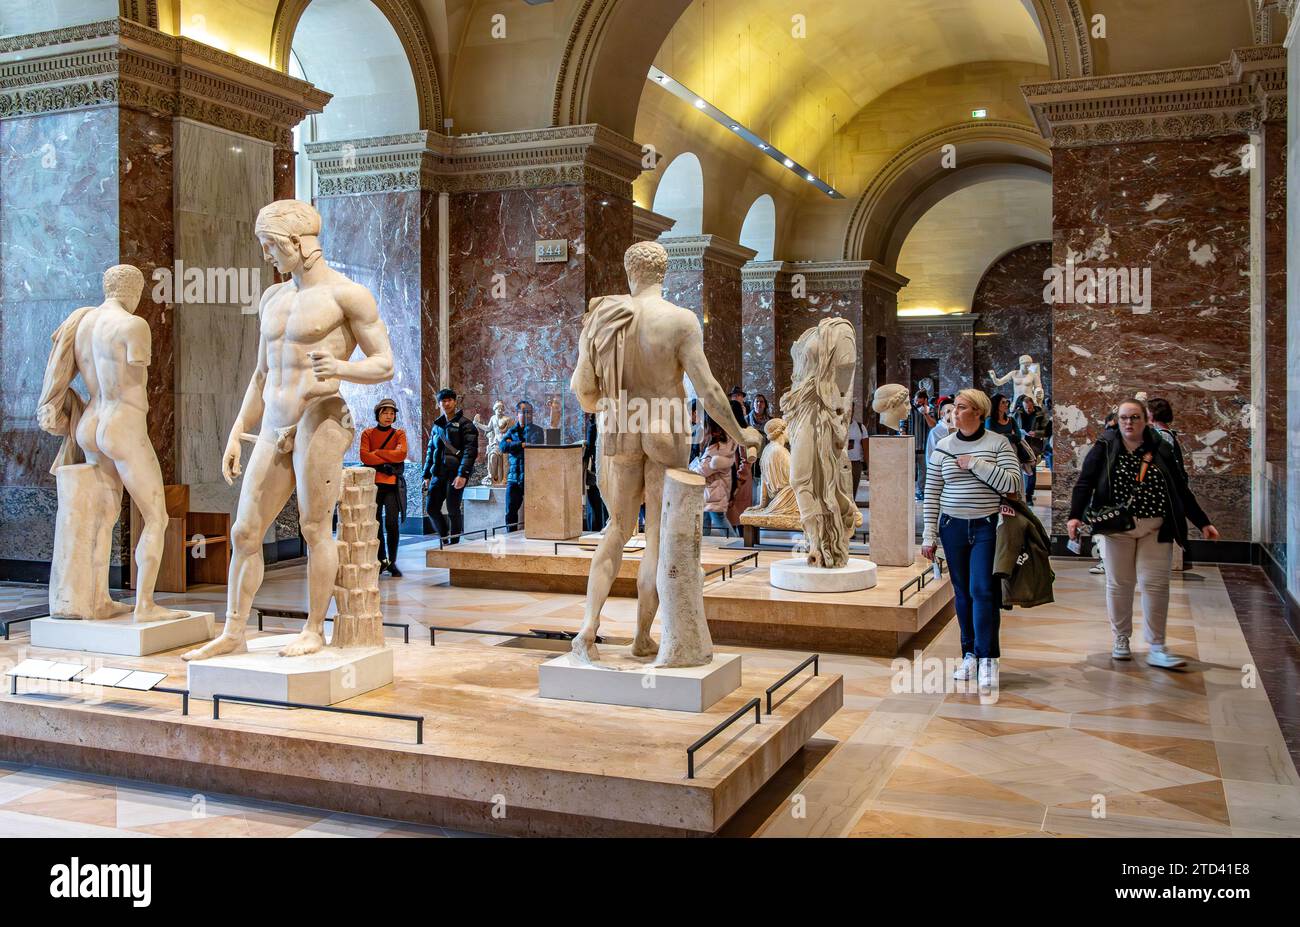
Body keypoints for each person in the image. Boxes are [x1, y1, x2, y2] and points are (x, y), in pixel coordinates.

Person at [1067, 398, 1220, 668]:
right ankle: (1121, 639)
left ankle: (1157, 645)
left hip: (1156, 528)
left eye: (1135, 417)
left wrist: (1203, 521)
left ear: (1145, 419)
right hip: (1118, 530)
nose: (1129, 422)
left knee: (1156, 585)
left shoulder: (1159, 446)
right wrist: (1075, 516)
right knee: (1120, 584)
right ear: (1117, 420)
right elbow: (1085, 482)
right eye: (1124, 417)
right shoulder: (1105, 446)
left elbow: (1179, 488)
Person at [921, 388, 1022, 693]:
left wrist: (976, 464)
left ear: (978, 412)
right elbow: (932, 492)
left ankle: (988, 656)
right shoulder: (943, 445)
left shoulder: (998, 443)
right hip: (952, 526)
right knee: (962, 593)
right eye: (954, 408)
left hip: (987, 526)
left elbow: (1013, 482)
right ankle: (969, 654)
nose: (955, 413)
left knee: (983, 590)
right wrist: (929, 535)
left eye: (962, 407)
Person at [421, 387, 478, 543]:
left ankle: (454, 542)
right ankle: (444, 536)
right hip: (438, 473)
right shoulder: (437, 426)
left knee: (453, 509)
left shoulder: (466, 425)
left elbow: (470, 452)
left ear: (455, 402)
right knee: (431, 508)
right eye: (443, 401)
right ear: (439, 404)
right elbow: (430, 451)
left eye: (449, 400)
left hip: (455, 473)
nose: (446, 403)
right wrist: (426, 474)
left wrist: (462, 474)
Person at [360, 397, 408, 576]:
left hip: (391, 485)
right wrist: (385, 460)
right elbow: (365, 457)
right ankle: (381, 560)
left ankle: (393, 561)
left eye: (392, 413)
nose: (389, 416)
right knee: (376, 523)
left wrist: (378, 453)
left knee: (392, 523)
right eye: (385, 413)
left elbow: (401, 454)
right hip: (373, 484)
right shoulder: (367, 433)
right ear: (378, 414)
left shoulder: (399, 434)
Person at [500, 400, 546, 529]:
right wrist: (520, 445)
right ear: (517, 414)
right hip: (513, 477)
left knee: (535, 509)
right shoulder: (511, 431)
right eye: (525, 412)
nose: (528, 416)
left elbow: (533, 446)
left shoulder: (537, 430)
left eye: (530, 413)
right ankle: (511, 537)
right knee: (510, 510)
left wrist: (513, 445)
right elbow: (503, 446)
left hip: (531, 477)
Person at [695, 413, 737, 537]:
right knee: (705, 519)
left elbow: (703, 470)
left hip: (714, 491)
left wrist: (691, 469)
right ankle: (702, 545)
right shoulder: (725, 443)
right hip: (715, 489)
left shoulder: (716, 447)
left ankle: (736, 544)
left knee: (719, 520)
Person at [727, 397, 755, 527]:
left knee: (739, 517)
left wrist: (739, 479)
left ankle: (739, 543)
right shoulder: (733, 430)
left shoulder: (743, 432)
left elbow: (746, 460)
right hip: (735, 478)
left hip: (740, 480)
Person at [1014, 394, 1048, 499]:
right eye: (1026, 408)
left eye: (1029, 408)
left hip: (1034, 443)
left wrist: (1037, 433)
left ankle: (1029, 494)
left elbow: (1047, 430)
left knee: (1031, 468)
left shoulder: (1040, 414)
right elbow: (1014, 427)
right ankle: (1021, 493)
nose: (1028, 410)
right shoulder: (1018, 414)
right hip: (1021, 442)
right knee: (1022, 468)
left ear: (1032, 405)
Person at [582, 412, 607, 532]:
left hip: (598, 469)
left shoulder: (593, 427)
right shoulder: (603, 426)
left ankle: (597, 530)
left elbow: (590, 449)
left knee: (596, 505)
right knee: (602, 504)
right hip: (603, 469)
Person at [910, 389, 935, 500]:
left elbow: (933, 425)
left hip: (924, 446)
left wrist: (925, 413)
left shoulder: (931, 410)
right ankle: (908, 491)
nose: (917, 404)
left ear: (925, 401)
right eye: (916, 402)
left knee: (923, 471)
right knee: (908, 471)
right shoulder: (908, 409)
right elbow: (902, 423)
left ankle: (920, 491)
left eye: (920, 402)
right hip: (910, 445)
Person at [845, 402, 868, 502]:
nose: (850, 412)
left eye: (852, 409)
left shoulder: (860, 427)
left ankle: (850, 513)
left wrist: (868, 467)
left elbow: (866, 449)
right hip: (840, 463)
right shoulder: (838, 426)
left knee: (853, 490)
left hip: (855, 463)